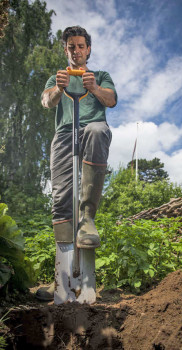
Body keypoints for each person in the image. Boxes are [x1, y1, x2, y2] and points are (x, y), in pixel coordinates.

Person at [36, 25, 117, 301]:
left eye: (81, 46)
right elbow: (46, 102)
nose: (76, 50)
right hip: (63, 134)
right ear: (66, 49)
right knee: (60, 200)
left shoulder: (100, 76)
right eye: (71, 46)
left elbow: (112, 100)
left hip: (89, 130)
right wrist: (58, 90)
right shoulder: (56, 77)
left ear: (88, 49)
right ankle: (61, 278)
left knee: (97, 130)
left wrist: (93, 87)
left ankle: (88, 218)